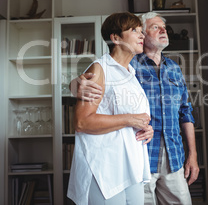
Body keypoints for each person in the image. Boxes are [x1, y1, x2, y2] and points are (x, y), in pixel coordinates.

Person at [71, 12, 199, 205]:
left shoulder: (168, 69)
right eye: (154, 27)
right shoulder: (129, 64)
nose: (163, 30)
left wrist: (192, 155)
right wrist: (74, 85)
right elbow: (92, 84)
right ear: (117, 37)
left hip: (165, 156)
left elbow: (184, 111)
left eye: (141, 30)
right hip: (134, 157)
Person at [67, 12, 154, 205]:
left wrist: (145, 128)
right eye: (134, 31)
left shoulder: (131, 73)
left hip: (131, 167)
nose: (142, 36)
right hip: (104, 169)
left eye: (142, 31)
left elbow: (137, 117)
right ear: (115, 38)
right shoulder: (99, 69)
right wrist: (129, 119)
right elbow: (82, 122)